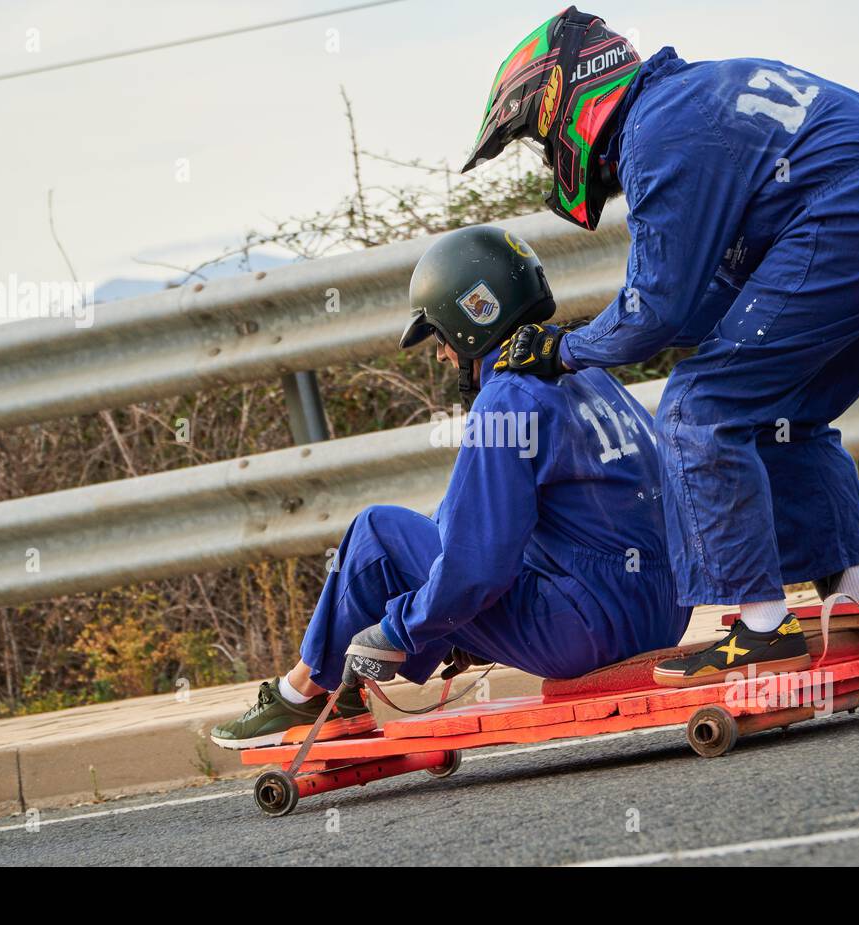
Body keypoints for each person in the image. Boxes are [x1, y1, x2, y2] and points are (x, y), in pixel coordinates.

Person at [467, 7, 859, 687]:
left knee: (698, 409)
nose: (544, 154)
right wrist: (585, 341)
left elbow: (653, 313)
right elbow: (707, 308)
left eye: (536, 137)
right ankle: (851, 601)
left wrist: (562, 350)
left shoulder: (657, 136)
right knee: (787, 408)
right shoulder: (691, 100)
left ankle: (763, 630)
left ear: (565, 103)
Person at [211, 225, 689, 749]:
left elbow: (476, 565)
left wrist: (400, 630)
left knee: (376, 536)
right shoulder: (586, 371)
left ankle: (306, 693)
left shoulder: (506, 399)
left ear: (471, 317)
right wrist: (445, 623)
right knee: (437, 543)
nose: (440, 354)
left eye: (439, 336)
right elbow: (510, 526)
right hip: (664, 611)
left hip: (590, 630)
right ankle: (326, 687)